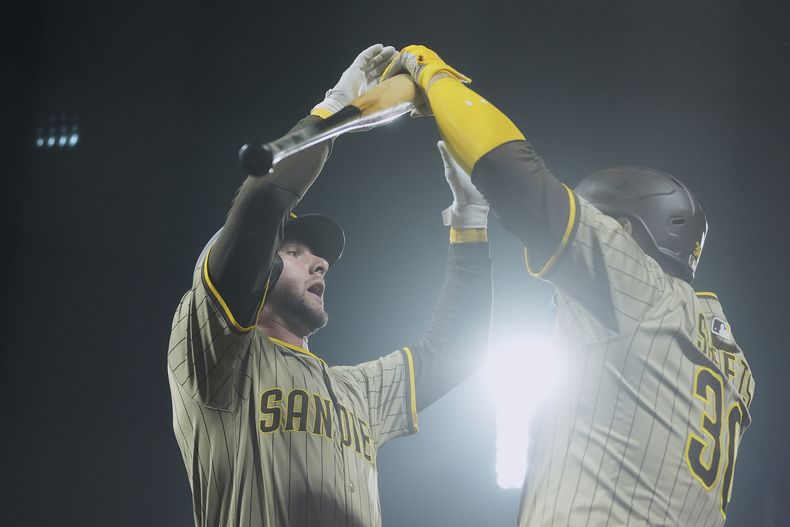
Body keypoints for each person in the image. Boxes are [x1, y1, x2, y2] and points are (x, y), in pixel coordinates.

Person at [383, 45, 755, 526]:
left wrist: (435, 77)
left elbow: (513, 172)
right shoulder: (731, 360)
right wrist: (471, 218)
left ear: (624, 231)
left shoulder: (643, 292)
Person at [166, 44, 493, 527]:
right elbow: (263, 205)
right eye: (294, 252)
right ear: (262, 270)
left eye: (319, 257)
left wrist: (470, 220)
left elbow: (457, 350)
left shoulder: (355, 391)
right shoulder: (214, 356)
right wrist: (336, 111)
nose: (319, 263)